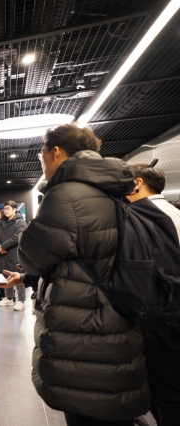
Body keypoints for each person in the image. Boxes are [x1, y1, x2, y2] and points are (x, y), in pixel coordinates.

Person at [18, 124, 149, 424]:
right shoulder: (112, 191)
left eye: (43, 156)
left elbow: (31, 256)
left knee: (86, 412)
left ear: (56, 152)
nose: (43, 163)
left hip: (84, 331)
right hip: (114, 321)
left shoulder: (66, 196)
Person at [126, 163, 180, 425]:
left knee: (164, 393)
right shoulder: (172, 212)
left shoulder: (145, 216)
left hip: (158, 315)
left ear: (136, 184)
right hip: (168, 313)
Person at [0, 201, 26, 310]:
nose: (5, 211)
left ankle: (21, 301)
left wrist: (3, 246)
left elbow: (17, 237)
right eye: (5, 209)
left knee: (18, 276)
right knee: (6, 275)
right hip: (3, 255)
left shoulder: (20, 222)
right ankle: (9, 298)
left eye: (8, 208)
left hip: (15, 254)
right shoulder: (1, 222)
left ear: (14, 209)